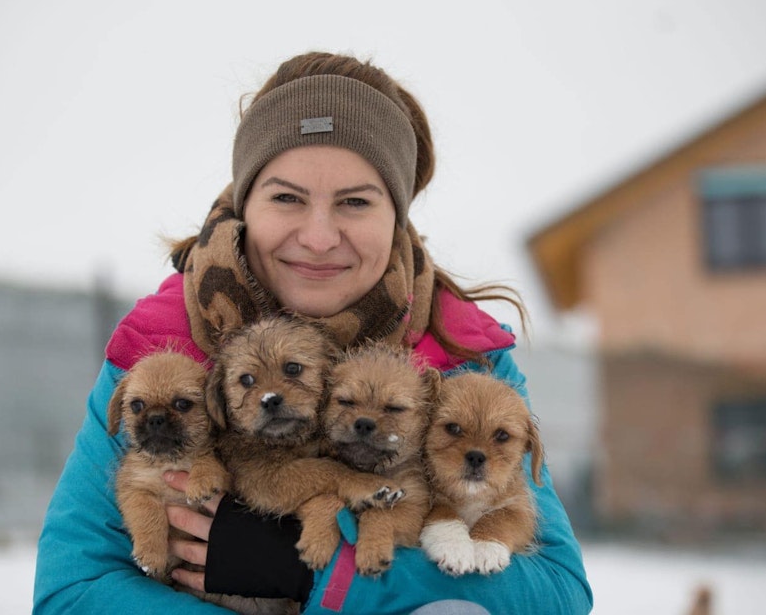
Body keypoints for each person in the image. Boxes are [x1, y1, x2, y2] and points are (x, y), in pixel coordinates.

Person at [33, 51, 593, 614]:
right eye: (286, 198)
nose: (320, 236)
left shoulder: (463, 359)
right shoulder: (158, 351)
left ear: (396, 218)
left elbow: (558, 593)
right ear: (243, 204)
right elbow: (71, 592)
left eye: (354, 202)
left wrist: (320, 578)